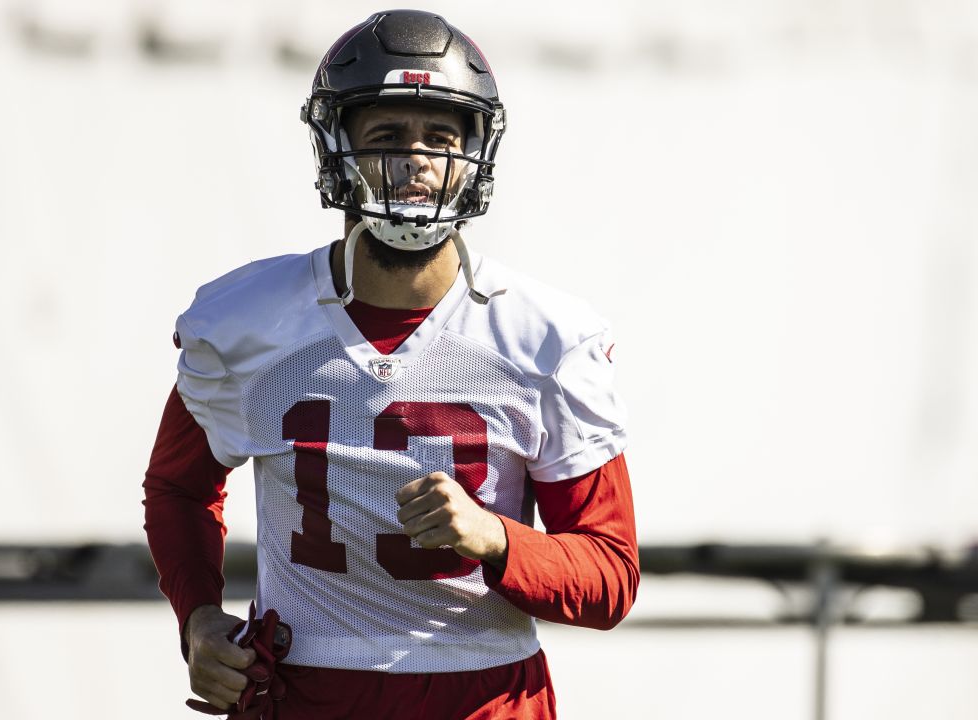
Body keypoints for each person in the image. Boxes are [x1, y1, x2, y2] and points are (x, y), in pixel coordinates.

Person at [143, 10, 638, 719]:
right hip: (306, 689)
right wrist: (196, 617)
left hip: (485, 693)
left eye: (440, 137)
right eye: (385, 138)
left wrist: (499, 539)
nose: (414, 163)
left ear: (474, 154)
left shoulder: (545, 338)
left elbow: (610, 574)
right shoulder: (248, 323)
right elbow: (178, 489)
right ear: (336, 149)